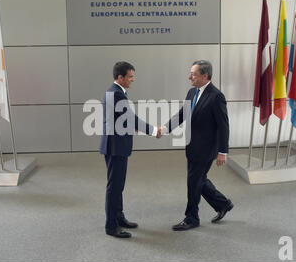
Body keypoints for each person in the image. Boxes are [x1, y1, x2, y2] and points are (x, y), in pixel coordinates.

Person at [162, 60, 233, 231]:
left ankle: (191, 218)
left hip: (207, 149)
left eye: (193, 74)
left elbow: (224, 126)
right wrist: (165, 128)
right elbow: (182, 114)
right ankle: (223, 204)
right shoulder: (191, 92)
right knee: (198, 180)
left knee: (193, 182)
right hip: (192, 146)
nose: (189, 77)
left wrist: (223, 151)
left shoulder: (216, 96)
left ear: (205, 75)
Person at [100, 61, 161, 238]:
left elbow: (121, 118)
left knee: (118, 185)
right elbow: (131, 118)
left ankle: (119, 217)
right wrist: (153, 130)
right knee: (114, 186)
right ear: (121, 77)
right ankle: (111, 226)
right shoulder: (116, 94)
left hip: (117, 144)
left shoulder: (116, 92)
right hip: (115, 147)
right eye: (131, 77)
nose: (133, 80)